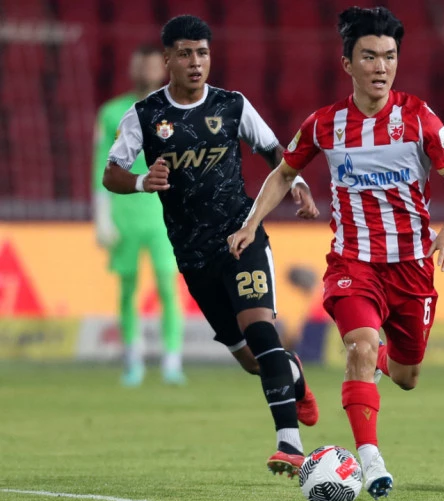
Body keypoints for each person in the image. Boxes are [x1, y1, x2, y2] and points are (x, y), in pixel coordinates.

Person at [228, 6, 444, 500]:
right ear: (347, 63)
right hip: (353, 263)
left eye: (390, 56)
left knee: (406, 375)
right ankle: (371, 460)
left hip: (412, 268)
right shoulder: (325, 124)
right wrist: (251, 223)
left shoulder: (418, 117)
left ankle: (384, 357)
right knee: (359, 348)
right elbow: (283, 173)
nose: (381, 67)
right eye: (370, 56)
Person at [101, 15, 320, 476]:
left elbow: (275, 151)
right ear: (168, 59)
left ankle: (290, 445)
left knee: (262, 333)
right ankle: (294, 377)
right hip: (193, 256)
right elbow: (111, 172)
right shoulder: (144, 115)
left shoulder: (232, 105)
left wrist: (297, 182)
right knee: (252, 361)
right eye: (185, 54)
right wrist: (141, 181)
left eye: (202, 53)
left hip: (242, 237)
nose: (195, 62)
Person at [93, 45, 186, 387]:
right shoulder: (111, 112)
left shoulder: (176, 110)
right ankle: (133, 359)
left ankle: (172, 360)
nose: (145, 71)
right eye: (140, 65)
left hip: (165, 214)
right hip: (124, 212)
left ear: (162, 69)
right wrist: (101, 216)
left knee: (167, 286)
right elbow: (100, 165)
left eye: (151, 65)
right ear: (132, 68)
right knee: (128, 288)